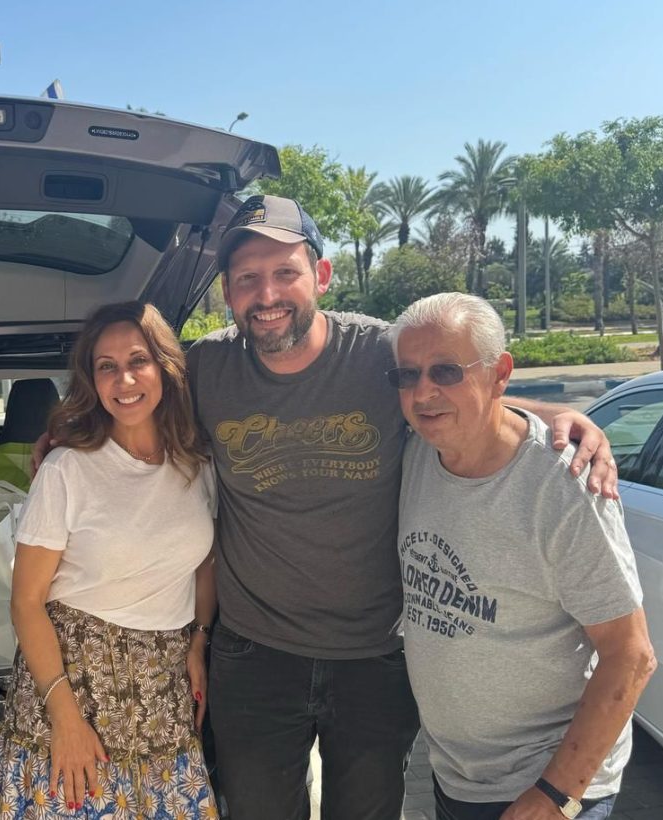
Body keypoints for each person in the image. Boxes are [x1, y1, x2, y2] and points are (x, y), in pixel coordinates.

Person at [186, 194, 621, 820]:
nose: (267, 293)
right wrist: (64, 434)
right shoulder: (206, 366)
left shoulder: (379, 355)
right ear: (228, 293)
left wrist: (568, 421)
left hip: (378, 656)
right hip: (255, 655)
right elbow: (130, 403)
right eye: (247, 279)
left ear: (322, 276)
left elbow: (466, 389)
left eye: (285, 272)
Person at [390, 292, 655, 820]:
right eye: (407, 375)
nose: (423, 392)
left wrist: (556, 794)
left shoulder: (562, 487)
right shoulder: (420, 449)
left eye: (446, 370)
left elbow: (632, 655)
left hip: (542, 787)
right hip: (456, 777)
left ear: (499, 373)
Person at [0, 301, 219, 820]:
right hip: (74, 687)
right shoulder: (66, 469)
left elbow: (203, 563)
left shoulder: (197, 463)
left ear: (165, 368)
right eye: (106, 366)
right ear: (91, 379)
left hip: (163, 697)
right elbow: (25, 602)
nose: (124, 378)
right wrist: (64, 716)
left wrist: (199, 636)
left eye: (138, 360)